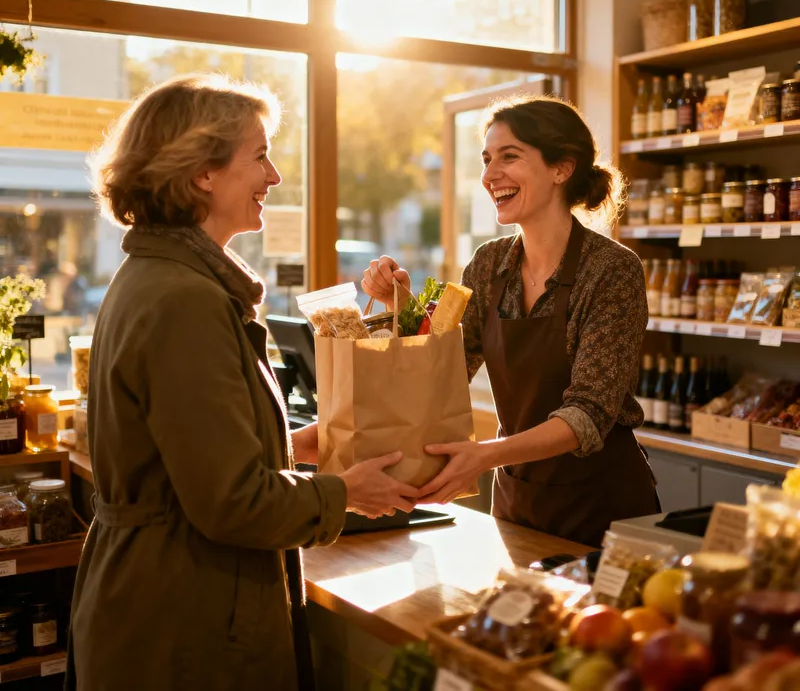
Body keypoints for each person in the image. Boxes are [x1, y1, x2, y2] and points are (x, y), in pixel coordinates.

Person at [68, 74, 419, 691]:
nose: (274, 176)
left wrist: (291, 447)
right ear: (203, 172)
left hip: (164, 600)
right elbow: (231, 503)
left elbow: (190, 460)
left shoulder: (157, 278)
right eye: (259, 156)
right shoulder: (185, 301)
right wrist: (344, 492)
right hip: (186, 621)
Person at [362, 95, 659, 549]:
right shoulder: (489, 264)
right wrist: (397, 305)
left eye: (509, 156)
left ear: (561, 168)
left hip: (603, 507)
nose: (489, 175)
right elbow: (441, 374)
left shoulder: (612, 270)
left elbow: (588, 414)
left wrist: (484, 455)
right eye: (487, 159)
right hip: (517, 499)